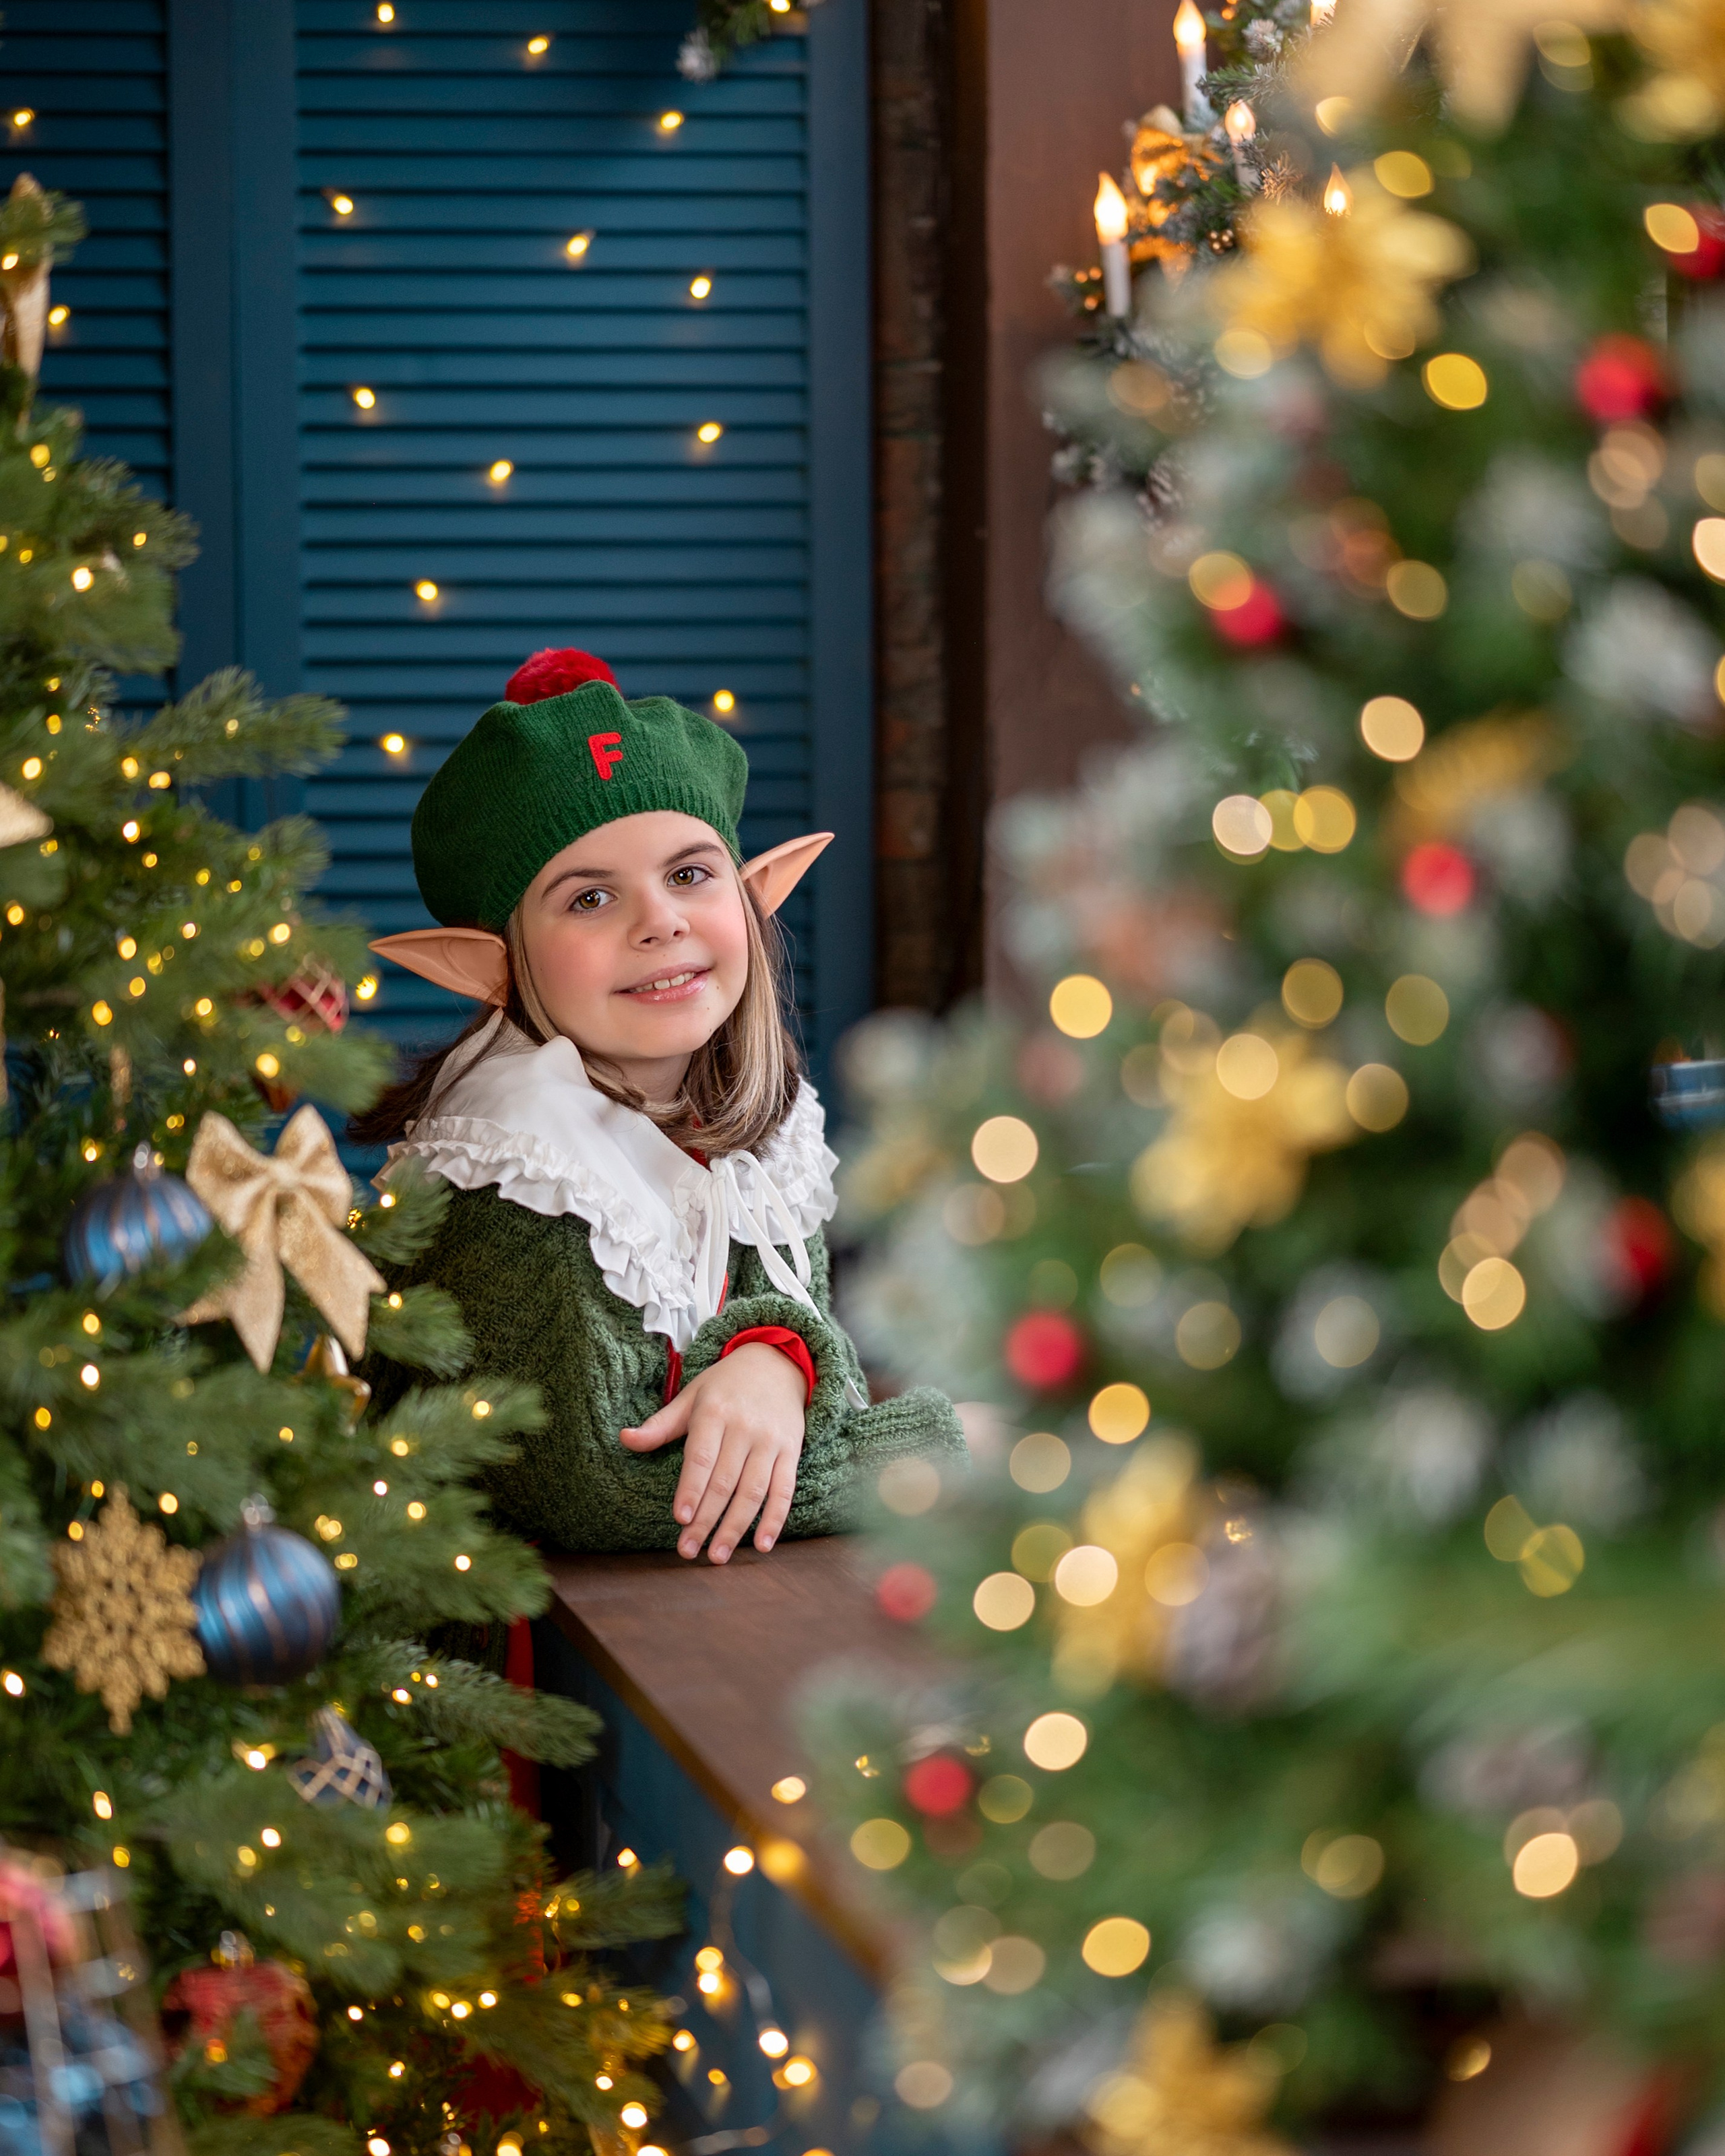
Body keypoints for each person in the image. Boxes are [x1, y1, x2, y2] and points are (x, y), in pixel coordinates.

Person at [353, 647, 964, 1566]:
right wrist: (938, 1447)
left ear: (748, 904)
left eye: (689, 875)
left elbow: (811, 1371)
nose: (661, 922)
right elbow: (614, 1487)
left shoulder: (752, 1132)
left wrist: (773, 1356)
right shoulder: (511, 1184)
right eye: (591, 897)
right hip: (511, 1668)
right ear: (502, 965)